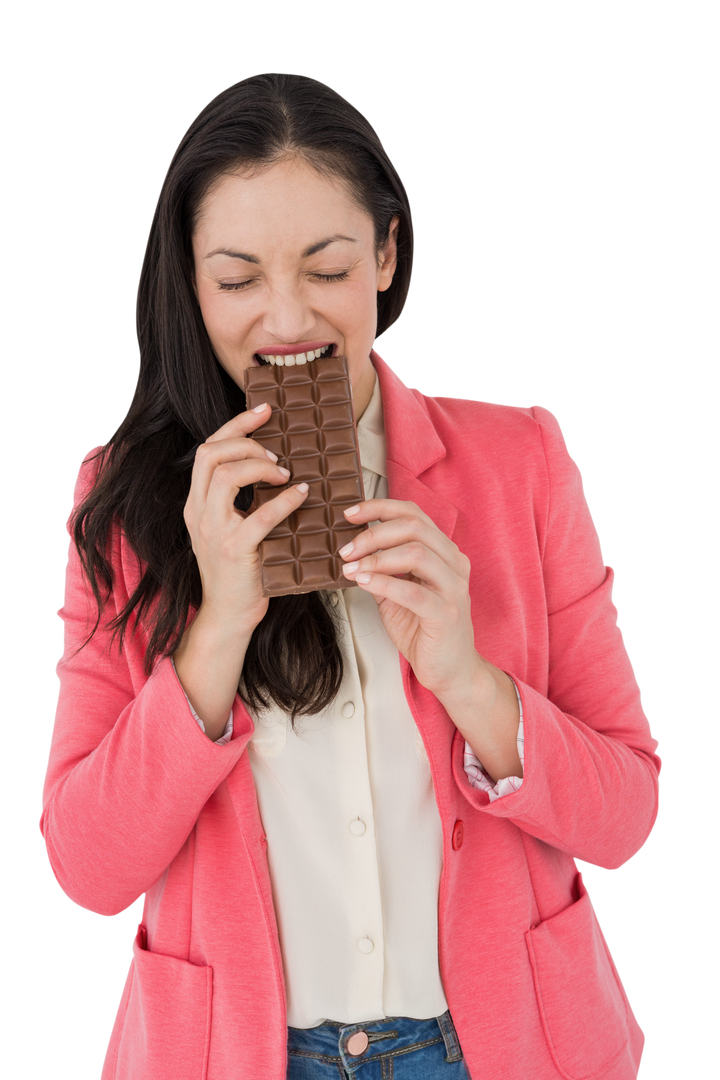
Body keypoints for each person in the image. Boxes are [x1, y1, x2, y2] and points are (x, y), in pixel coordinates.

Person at [39, 71, 663, 1080]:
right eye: (237, 280)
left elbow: (628, 817)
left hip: (500, 1047)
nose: (285, 319)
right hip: (235, 1056)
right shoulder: (122, 499)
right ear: (189, 285)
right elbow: (88, 870)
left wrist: (468, 676)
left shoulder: (523, 462)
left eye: (326, 267)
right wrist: (218, 627)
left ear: (385, 253)